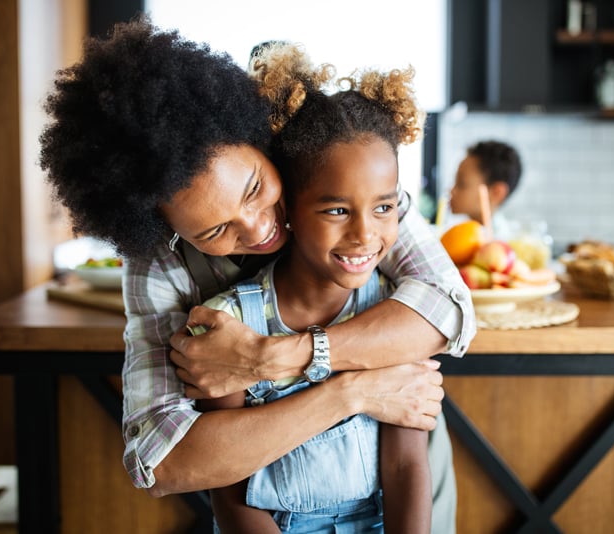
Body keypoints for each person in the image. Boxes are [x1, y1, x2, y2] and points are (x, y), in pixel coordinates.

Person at [39, 16, 475, 533]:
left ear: (260, 141)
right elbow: (163, 461)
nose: (259, 226)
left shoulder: (342, 186)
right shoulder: (159, 266)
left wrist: (271, 357)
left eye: (253, 189)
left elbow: (448, 309)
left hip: (400, 493)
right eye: (215, 229)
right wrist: (350, 393)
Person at [196, 42, 431, 533]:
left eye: (384, 208)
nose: (366, 235)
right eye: (337, 211)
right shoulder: (229, 326)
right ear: (289, 213)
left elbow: (406, 466)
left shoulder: (392, 316)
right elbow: (230, 490)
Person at [448, 140, 522, 238]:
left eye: (462, 184)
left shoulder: (500, 244)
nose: (451, 191)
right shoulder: (455, 234)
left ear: (496, 193)